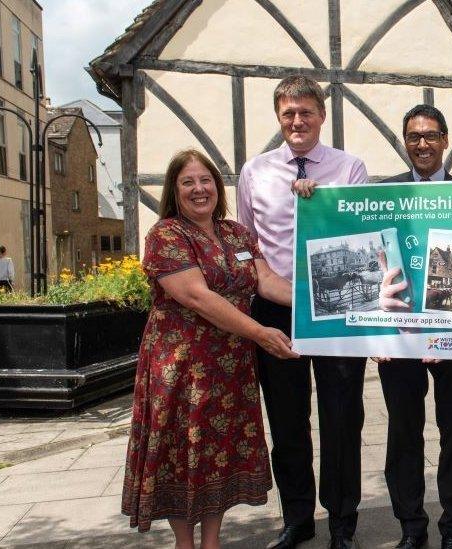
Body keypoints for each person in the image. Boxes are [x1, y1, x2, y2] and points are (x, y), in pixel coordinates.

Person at [122, 149, 298, 549]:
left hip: (228, 366)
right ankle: (187, 545)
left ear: (218, 188)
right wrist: (260, 332)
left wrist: (323, 302)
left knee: (214, 453)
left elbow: (266, 281)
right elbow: (198, 297)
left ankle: (211, 543)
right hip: (181, 366)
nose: (199, 189)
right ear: (175, 190)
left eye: (206, 181)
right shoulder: (166, 235)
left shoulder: (236, 232)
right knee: (183, 453)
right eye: (188, 182)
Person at [237, 75, 368, 549]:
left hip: (338, 310)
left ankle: (342, 524)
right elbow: (248, 246)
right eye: (289, 113)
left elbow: (360, 235)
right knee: (287, 422)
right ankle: (297, 518)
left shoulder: (349, 168)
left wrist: (327, 206)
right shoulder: (255, 171)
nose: (297, 121)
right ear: (279, 117)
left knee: (341, 420)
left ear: (322, 115)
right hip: (276, 310)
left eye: (306, 112)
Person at [376, 105, 452, 549]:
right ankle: (410, 527)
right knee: (403, 433)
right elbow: (372, 259)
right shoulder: (381, 195)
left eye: (431, 135)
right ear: (405, 141)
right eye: (414, 136)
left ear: (445, 140)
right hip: (398, 336)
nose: (422, 143)